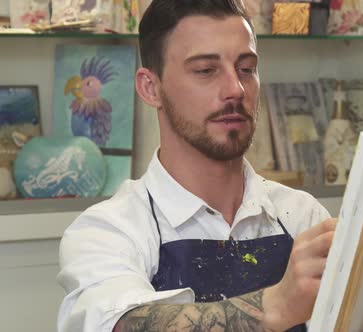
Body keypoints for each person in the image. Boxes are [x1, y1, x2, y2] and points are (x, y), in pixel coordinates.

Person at [56, 1, 337, 331]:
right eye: (206, 70)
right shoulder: (109, 231)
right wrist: (276, 307)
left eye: (246, 69)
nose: (235, 89)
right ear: (151, 87)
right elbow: (121, 324)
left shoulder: (303, 217)